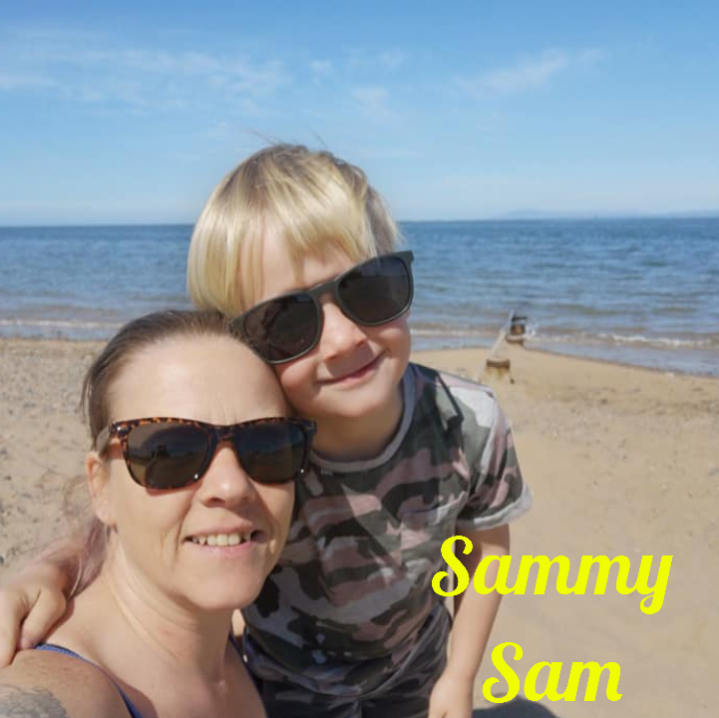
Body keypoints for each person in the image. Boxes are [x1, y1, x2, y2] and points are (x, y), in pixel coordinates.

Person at [0, 145, 531, 718]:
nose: (344, 339)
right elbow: (149, 512)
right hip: (289, 684)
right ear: (243, 348)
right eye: (288, 322)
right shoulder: (258, 445)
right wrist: (53, 569)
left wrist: (460, 674)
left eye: (370, 288)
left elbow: (486, 549)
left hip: (414, 669)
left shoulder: (468, 421)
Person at [0, 310, 316, 718]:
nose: (231, 486)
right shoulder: (75, 690)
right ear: (101, 486)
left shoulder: (248, 634)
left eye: (267, 445)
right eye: (171, 453)